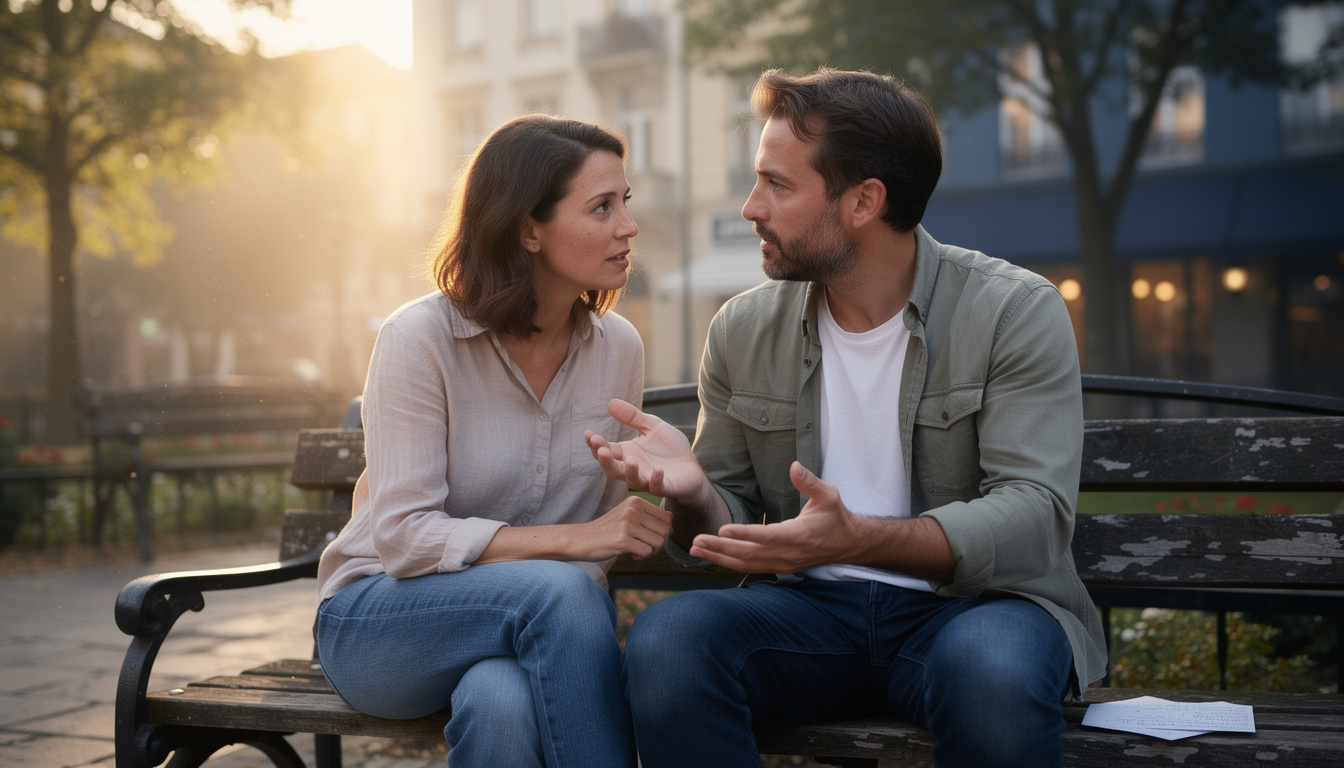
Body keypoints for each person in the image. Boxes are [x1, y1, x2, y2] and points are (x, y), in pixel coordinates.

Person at [586, 69, 1108, 767]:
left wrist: (853, 539)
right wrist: (695, 491)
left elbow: (1034, 516)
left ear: (863, 201)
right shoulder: (742, 329)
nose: (750, 207)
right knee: (672, 641)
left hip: (977, 609)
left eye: (777, 184)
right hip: (810, 619)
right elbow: (724, 524)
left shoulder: (1013, 310)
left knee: (992, 672)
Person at [314, 114, 670, 768]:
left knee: (501, 706)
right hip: (381, 624)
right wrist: (572, 542)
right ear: (527, 229)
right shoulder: (419, 338)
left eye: (626, 203)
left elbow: (604, 525)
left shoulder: (618, 348)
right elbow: (404, 536)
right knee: (561, 592)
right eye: (601, 207)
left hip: (527, 631)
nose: (628, 226)